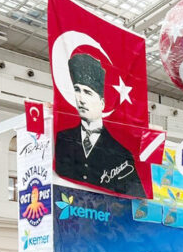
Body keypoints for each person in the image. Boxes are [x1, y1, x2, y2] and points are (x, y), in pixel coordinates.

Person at [54, 53, 144, 197]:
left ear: (102, 103)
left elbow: (136, 197)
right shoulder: (62, 139)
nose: (81, 99)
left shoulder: (121, 153)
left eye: (88, 93)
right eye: (77, 90)